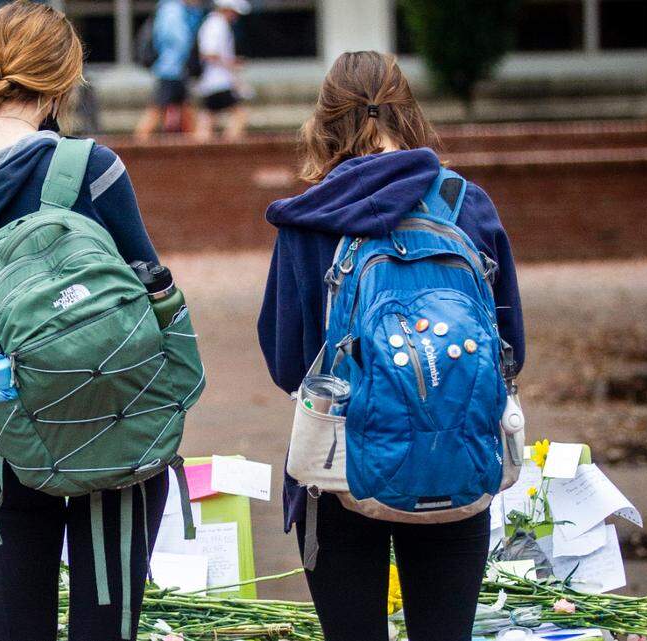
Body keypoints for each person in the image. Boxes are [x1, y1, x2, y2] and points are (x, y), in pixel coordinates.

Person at [0, 3, 165, 639]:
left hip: (4, 439)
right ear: (66, 78)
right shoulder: (90, 170)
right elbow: (151, 295)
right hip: (113, 431)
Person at [257, 51, 525, 641]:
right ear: (410, 113)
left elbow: (286, 362)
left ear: (324, 122)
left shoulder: (311, 216)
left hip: (339, 471)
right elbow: (512, 350)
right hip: (456, 462)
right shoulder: (465, 203)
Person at [133, 0, 204, 140]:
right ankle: (137, 145)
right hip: (170, 69)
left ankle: (197, 151)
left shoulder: (179, 9)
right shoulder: (172, 9)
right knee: (156, 111)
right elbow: (178, 40)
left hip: (175, 70)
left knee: (186, 112)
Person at [193, 0, 250, 142]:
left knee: (207, 118)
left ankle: (202, 152)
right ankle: (228, 150)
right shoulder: (216, 25)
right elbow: (208, 53)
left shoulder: (216, 24)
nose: (236, 16)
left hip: (214, 81)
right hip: (217, 81)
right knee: (239, 115)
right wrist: (231, 63)